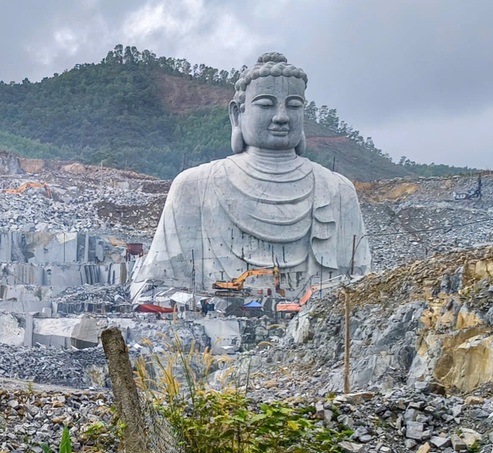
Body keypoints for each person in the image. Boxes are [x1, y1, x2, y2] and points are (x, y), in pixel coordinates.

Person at [130, 52, 370, 301]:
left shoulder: (338, 190)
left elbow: (365, 289)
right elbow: (152, 290)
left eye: (294, 105)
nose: (281, 117)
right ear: (237, 114)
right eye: (266, 105)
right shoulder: (193, 186)